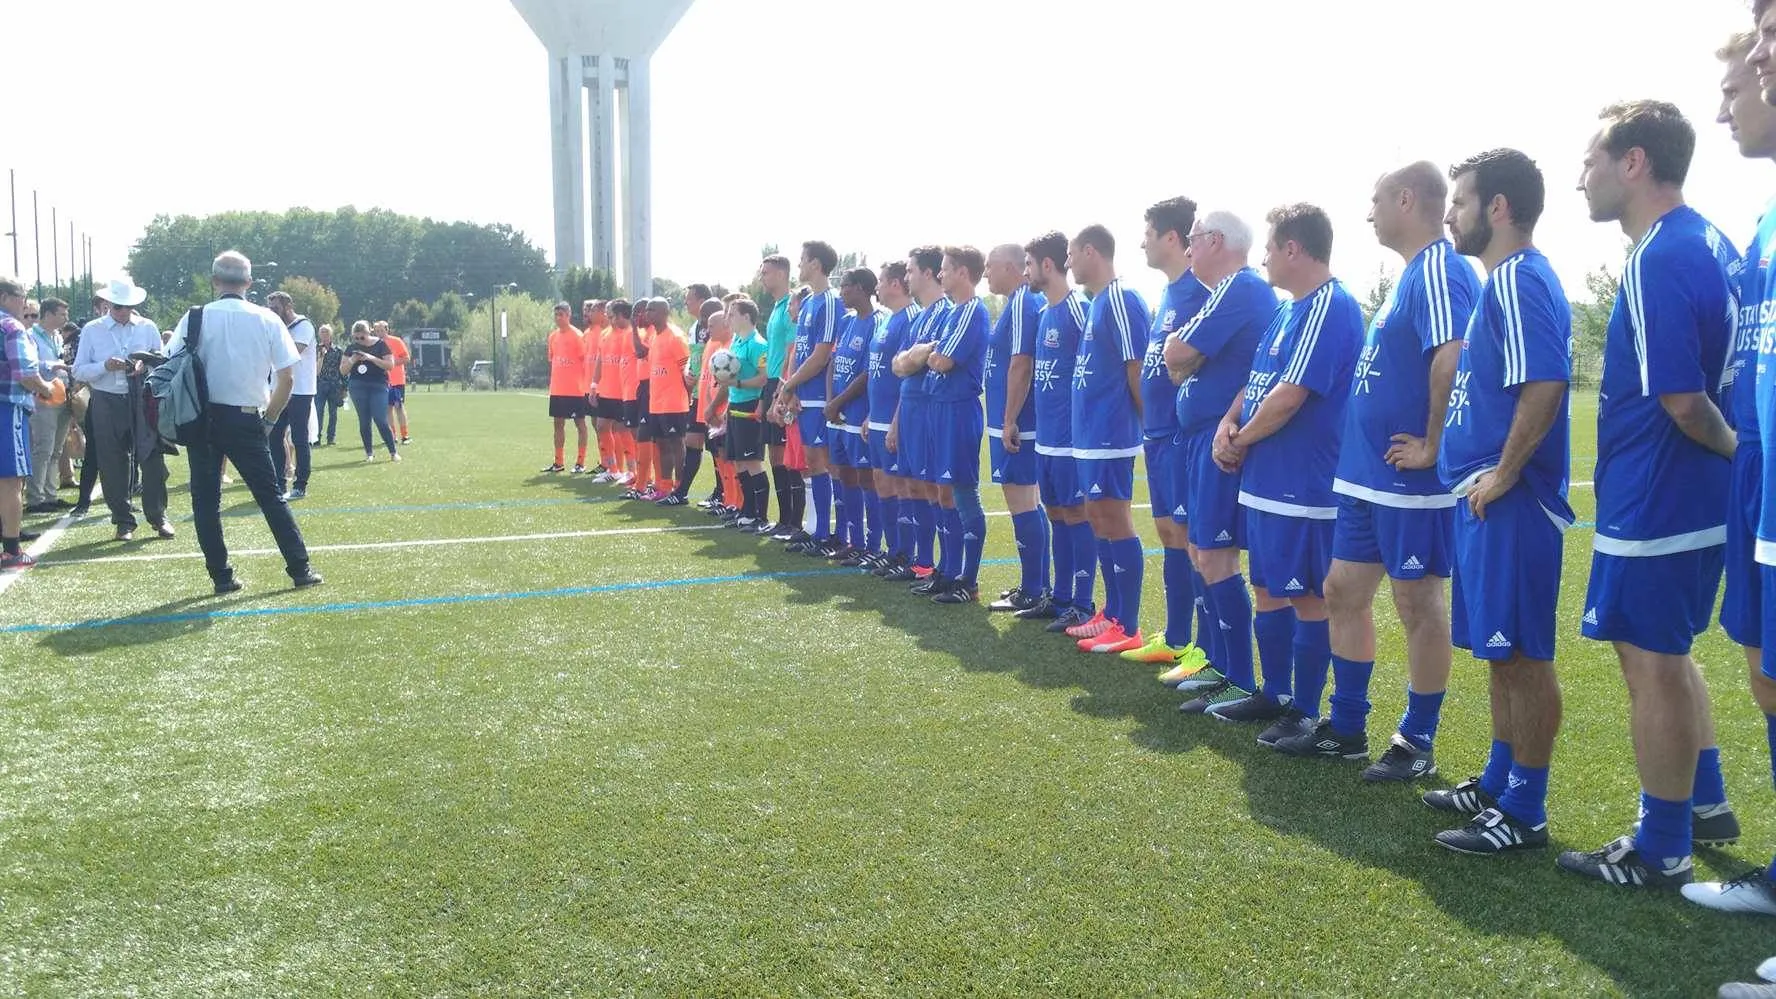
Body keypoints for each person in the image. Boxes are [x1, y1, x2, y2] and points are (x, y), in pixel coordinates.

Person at [1560, 101, 1741, 888]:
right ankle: (1705, 801)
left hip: (1659, 500)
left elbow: (1683, 400)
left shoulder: (1659, 255)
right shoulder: (1712, 239)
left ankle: (1660, 844)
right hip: (1687, 501)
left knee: (1652, 665)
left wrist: (1740, 458)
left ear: (1633, 162)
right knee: (1669, 653)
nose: (1580, 179)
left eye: (1592, 160)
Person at [1297, 164, 1478, 776]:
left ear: (1406, 200)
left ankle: (1416, 742)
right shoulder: (1410, 276)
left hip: (1409, 481)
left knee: (1418, 605)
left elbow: (1451, 353)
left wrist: (1433, 442)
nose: (1369, 213)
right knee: (1341, 591)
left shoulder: (1439, 269)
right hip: (1366, 478)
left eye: (1376, 200)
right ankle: (1347, 726)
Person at [1428, 148, 1572, 857]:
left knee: (1521, 655)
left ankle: (1526, 807)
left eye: (1459, 201)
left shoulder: (1518, 280)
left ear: (1497, 207)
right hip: (1484, 499)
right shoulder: (1499, 283)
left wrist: (1507, 473)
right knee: (1500, 651)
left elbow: (1546, 381)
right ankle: (1497, 780)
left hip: (1508, 503)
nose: (1450, 215)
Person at [1207, 205, 1362, 751]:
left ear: (1294, 249)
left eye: (1271, 247)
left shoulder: (1331, 306)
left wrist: (1239, 439)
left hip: (1304, 484)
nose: (1265, 256)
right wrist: (1229, 424)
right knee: (1268, 587)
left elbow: (1291, 395)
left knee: (1307, 597)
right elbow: (1257, 383)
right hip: (1266, 478)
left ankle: (1304, 708)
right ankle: (1272, 694)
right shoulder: (1286, 311)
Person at [1685, 21, 1776, 924]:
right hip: (1760, 481)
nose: (1746, 74)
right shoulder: (1762, 223)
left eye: (1768, 43)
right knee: (1764, 673)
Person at [1160, 212, 1277, 711]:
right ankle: (1219, 665)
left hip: (1219, 440)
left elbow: (1176, 351)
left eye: (1192, 241)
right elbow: (1174, 364)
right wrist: (1188, 360)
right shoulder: (1225, 293)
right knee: (1201, 552)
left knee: (1214, 554)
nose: (1187, 251)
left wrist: (1190, 359)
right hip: (1198, 438)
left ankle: (1238, 676)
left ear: (1215, 241)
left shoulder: (1241, 288)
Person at [166, 251, 320, 594]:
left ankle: (222, 577)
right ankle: (299, 568)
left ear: (214, 281)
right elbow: (287, 380)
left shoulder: (194, 317)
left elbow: (170, 366)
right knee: (270, 496)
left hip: (201, 419)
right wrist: (270, 420)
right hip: (248, 418)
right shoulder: (266, 319)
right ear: (248, 283)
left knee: (206, 501)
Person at [1128, 198, 1212, 662]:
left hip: (1182, 435)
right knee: (1168, 531)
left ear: (1172, 238)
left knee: (1189, 536)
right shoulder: (1169, 295)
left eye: (1147, 233)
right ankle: (1178, 637)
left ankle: (1202, 646)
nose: (1142, 241)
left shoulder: (1199, 294)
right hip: (1157, 434)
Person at [1064, 224, 1153, 653]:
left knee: (1115, 518)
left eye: (1071, 254)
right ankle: (1111, 613)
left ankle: (1128, 623)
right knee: (1097, 517)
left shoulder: (1121, 299)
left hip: (1112, 434)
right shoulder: (1096, 302)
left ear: (1090, 251)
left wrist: (1147, 426)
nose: (1068, 263)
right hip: (1089, 435)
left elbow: (1136, 368)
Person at [1024, 231, 1094, 630]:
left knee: (1076, 514)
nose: (1027, 273)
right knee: (1056, 514)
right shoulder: (1045, 313)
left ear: (1047, 265)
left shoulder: (1077, 309)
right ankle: (1061, 596)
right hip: (1046, 438)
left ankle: (1082, 603)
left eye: (1030, 265)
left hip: (1071, 440)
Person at [72, 277, 169, 542]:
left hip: (141, 397)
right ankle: (124, 521)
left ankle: (158, 515)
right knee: (112, 462)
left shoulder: (148, 327)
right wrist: (105, 365)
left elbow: (161, 363)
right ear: (108, 304)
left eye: (128, 306)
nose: (123, 312)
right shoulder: (92, 330)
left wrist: (143, 365)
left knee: (151, 457)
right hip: (106, 398)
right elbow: (78, 370)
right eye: (118, 306)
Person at [983, 244, 1050, 612]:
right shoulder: (1015, 301)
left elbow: (1021, 363)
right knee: (1025, 501)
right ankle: (1036, 585)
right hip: (1009, 419)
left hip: (1019, 421)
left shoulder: (1024, 300)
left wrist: (1010, 418)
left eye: (991, 267)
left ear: (1011, 267)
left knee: (1022, 500)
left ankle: (1034, 588)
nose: (986, 273)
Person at [888, 247, 953, 585]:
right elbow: (900, 365)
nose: (907, 276)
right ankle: (923, 561)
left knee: (934, 488)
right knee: (914, 486)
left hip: (930, 410)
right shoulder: (921, 317)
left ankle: (940, 565)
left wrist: (910, 359)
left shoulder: (945, 311)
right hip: (910, 409)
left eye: (911, 270)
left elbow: (920, 360)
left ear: (928, 273)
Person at [776, 241, 842, 555]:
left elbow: (821, 355)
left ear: (815, 264)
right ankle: (816, 529)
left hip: (819, 396)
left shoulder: (829, 301)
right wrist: (790, 388)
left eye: (802, 260)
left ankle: (826, 532)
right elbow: (799, 352)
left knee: (822, 463)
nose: (799, 265)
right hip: (804, 394)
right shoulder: (809, 303)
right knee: (812, 463)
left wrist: (791, 386)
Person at [822, 268, 883, 563]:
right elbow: (834, 363)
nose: (841, 291)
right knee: (842, 473)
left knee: (865, 478)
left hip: (858, 414)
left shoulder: (876, 322)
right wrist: (830, 401)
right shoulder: (846, 322)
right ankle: (853, 540)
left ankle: (873, 546)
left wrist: (840, 401)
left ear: (860, 288)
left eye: (845, 286)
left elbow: (868, 374)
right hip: (838, 412)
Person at [863, 261, 920, 573]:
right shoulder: (887, 320)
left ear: (896, 284)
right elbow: (879, 373)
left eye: (881, 281)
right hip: (878, 418)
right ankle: (893, 550)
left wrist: (895, 423)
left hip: (896, 420)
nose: (877, 287)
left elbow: (906, 377)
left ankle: (907, 554)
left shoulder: (909, 319)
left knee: (901, 488)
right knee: (882, 484)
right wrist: (871, 415)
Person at [0, 276, 57, 570]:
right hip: (7, 408)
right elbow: (24, 373)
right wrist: (46, 388)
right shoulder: (11, 326)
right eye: (21, 295)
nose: (24, 302)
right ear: (5, 296)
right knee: (11, 480)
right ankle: (11, 550)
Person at [712, 298, 772, 528]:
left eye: (732, 314)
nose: (728, 319)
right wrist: (728, 407)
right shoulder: (736, 341)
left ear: (746, 317)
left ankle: (760, 516)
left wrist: (737, 384)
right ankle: (746, 510)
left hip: (750, 407)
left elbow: (763, 378)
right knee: (738, 462)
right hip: (736, 407)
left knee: (753, 462)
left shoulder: (758, 344)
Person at [757, 255, 797, 536]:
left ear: (782, 274)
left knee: (788, 456)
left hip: (784, 383)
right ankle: (783, 520)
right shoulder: (775, 307)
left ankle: (794, 521)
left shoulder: (791, 307)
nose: (762, 277)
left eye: (766, 272)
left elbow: (792, 350)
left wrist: (782, 391)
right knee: (775, 456)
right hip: (773, 382)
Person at [264, 292, 316, 500]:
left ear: (288, 306)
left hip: (300, 390)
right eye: (270, 308)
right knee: (274, 436)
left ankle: (300, 485)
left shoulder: (304, 325)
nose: (272, 312)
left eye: (275, 308)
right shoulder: (276, 326)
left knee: (300, 438)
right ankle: (279, 482)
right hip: (278, 389)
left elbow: (295, 351)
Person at [25, 297, 74, 513]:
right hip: (42, 397)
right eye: (62, 314)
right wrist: (52, 365)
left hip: (61, 395)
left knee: (56, 449)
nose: (66, 318)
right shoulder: (31, 335)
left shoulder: (56, 336)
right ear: (49, 314)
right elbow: (30, 365)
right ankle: (36, 498)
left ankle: (50, 495)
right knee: (43, 448)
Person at [642, 297, 691, 503]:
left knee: (676, 444)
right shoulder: (654, 337)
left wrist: (688, 397)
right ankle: (664, 486)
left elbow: (687, 372)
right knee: (661, 444)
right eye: (647, 310)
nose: (647, 314)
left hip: (674, 403)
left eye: (652, 310)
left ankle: (680, 489)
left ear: (664, 312)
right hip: (657, 403)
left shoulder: (676, 337)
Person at [542, 302, 593, 474]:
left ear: (569, 315)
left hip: (575, 389)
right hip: (557, 389)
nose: (558, 318)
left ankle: (580, 462)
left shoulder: (577, 335)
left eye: (561, 315)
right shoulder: (553, 336)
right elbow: (552, 359)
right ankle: (558, 462)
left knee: (580, 424)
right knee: (558, 424)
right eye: (556, 315)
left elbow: (584, 361)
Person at [341, 321, 400, 461]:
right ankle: (369, 453)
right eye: (356, 338)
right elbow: (343, 371)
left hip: (378, 385)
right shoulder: (351, 348)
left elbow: (390, 365)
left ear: (369, 333)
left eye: (362, 338)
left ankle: (393, 452)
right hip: (357, 386)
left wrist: (371, 358)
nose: (359, 341)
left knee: (380, 419)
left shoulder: (381, 345)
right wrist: (352, 360)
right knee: (364, 420)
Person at [380, 323, 412, 444]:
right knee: (387, 408)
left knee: (399, 406)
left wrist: (390, 362)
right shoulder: (375, 344)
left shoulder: (396, 341)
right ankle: (392, 436)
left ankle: (405, 435)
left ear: (387, 330)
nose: (379, 333)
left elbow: (406, 358)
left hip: (397, 380)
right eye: (376, 331)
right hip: (383, 381)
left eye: (381, 330)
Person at [314, 324, 345, 446]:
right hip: (320, 385)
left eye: (326, 333)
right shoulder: (315, 349)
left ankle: (331, 438)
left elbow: (342, 369)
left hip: (334, 385)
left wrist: (344, 387)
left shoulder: (338, 350)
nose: (324, 335)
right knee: (318, 412)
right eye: (322, 333)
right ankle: (316, 438)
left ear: (331, 334)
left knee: (333, 413)